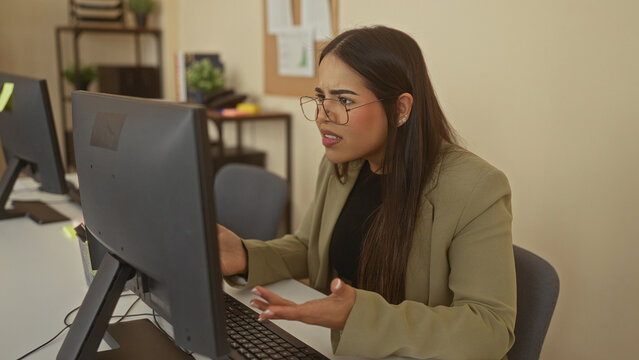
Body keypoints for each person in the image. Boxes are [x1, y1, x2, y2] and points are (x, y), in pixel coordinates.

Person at [218, 25, 516, 360]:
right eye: (320, 97)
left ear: (401, 109)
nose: (321, 116)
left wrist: (358, 317)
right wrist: (244, 255)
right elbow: (309, 247)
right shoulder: (341, 162)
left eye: (343, 100)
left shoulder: (475, 188)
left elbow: (490, 328)